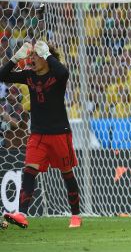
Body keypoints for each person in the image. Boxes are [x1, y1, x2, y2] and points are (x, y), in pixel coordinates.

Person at [0, 41, 81, 228]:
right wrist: (15, 58)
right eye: (31, 56)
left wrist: (47, 55)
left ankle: (76, 215)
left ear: (45, 57)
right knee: (29, 171)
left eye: (36, 55)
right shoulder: (29, 76)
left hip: (59, 133)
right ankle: (21, 214)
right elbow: (2, 75)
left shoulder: (57, 75)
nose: (32, 59)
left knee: (67, 173)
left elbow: (64, 73)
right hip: (37, 134)